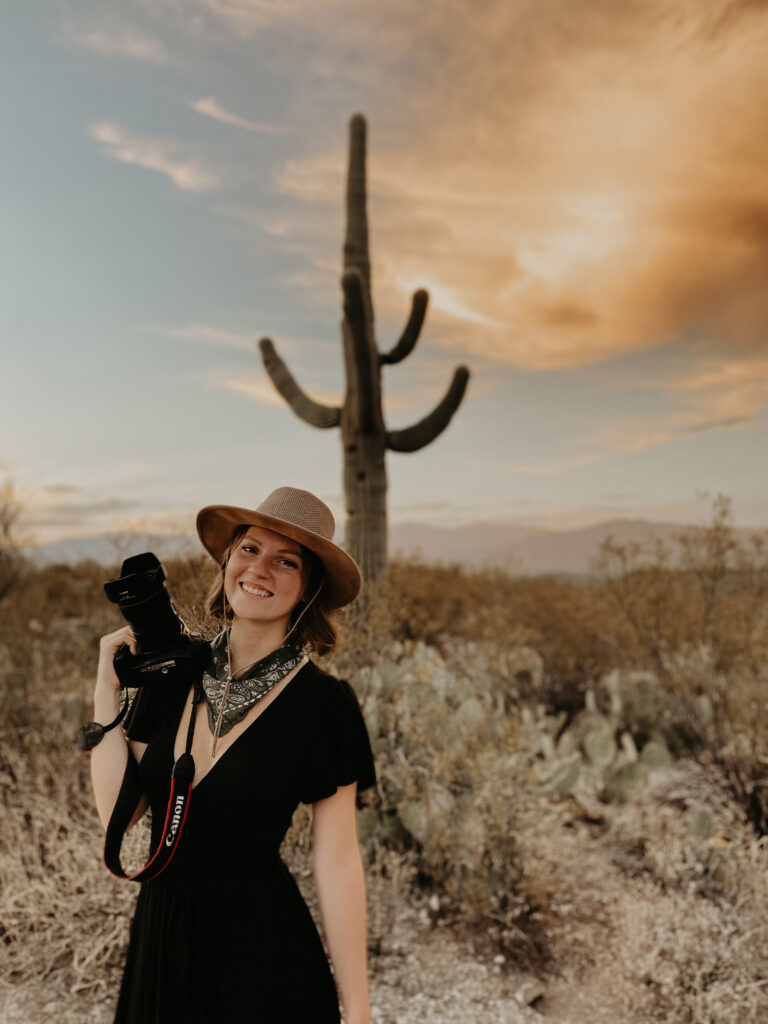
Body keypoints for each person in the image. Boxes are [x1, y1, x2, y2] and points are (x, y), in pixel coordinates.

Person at [90, 487, 376, 1024]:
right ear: (227, 561)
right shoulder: (174, 671)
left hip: (260, 947)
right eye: (249, 549)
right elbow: (119, 817)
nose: (259, 569)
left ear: (309, 587)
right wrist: (106, 694)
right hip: (162, 934)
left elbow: (337, 861)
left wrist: (358, 1010)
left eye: (285, 560)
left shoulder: (325, 705)